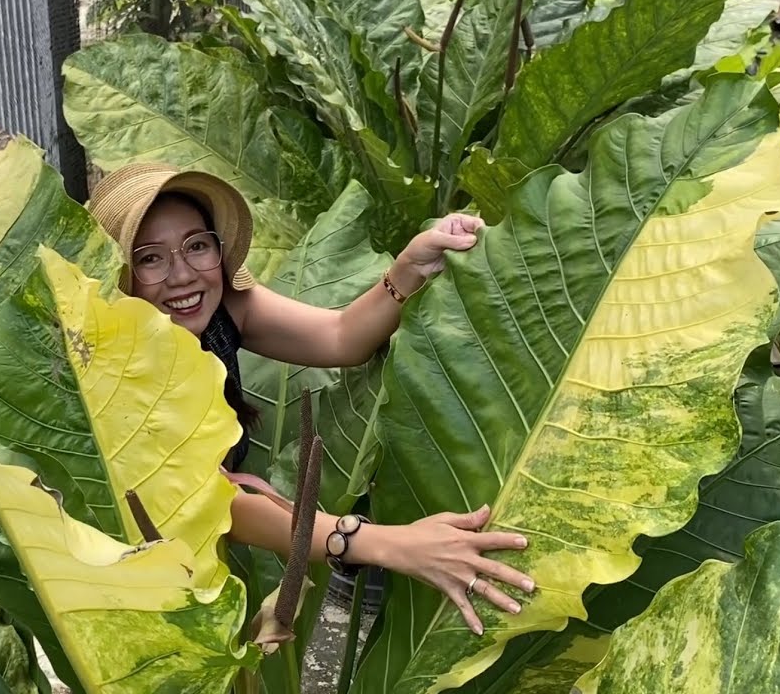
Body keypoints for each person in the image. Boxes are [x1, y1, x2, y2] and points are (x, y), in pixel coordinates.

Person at [87, 162, 532, 635]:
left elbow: (339, 338)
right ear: (117, 273)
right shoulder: (114, 374)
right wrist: (387, 544)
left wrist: (411, 268)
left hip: (194, 559)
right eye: (150, 257)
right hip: (120, 578)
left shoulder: (221, 309)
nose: (181, 275)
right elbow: (214, 503)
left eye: (197, 246)